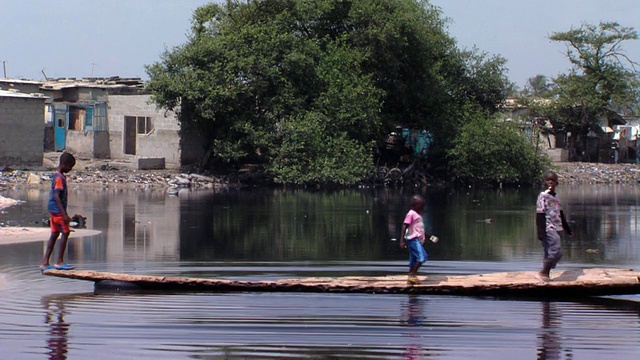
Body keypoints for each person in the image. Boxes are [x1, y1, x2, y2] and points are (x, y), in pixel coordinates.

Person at [40, 152, 76, 271]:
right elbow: (56, 196)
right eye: (70, 167)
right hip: (57, 210)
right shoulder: (59, 178)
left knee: (55, 234)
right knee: (65, 232)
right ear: (64, 164)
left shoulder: (58, 176)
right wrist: (64, 214)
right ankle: (59, 262)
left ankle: (45, 263)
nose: (70, 169)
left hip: (53, 209)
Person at [536, 172, 572, 281]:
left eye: (553, 180)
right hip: (548, 227)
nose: (550, 182)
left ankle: (545, 271)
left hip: (557, 227)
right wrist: (541, 233)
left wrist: (567, 229)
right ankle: (544, 272)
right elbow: (540, 214)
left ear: (557, 183)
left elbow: (560, 213)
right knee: (555, 249)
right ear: (545, 182)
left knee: (558, 252)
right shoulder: (543, 196)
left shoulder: (555, 196)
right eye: (548, 180)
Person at [399, 194, 437, 285]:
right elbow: (405, 226)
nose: (423, 208)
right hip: (413, 240)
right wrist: (402, 240)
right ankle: (412, 275)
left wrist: (430, 237)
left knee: (413, 260)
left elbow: (419, 230)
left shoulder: (418, 216)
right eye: (421, 206)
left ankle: (411, 278)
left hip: (416, 239)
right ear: (415, 205)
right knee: (422, 257)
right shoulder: (411, 214)